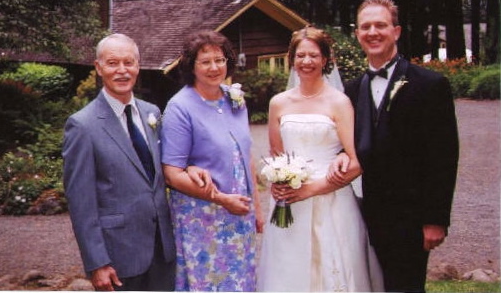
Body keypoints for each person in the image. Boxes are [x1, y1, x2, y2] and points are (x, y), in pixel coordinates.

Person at [335, 0, 459, 292]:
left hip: (411, 219)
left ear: (397, 32)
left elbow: (443, 156)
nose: (373, 32)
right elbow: (349, 145)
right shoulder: (351, 90)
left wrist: (435, 220)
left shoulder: (429, 85)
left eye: (380, 25)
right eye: (366, 27)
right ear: (357, 35)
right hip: (366, 215)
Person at [257, 26, 384, 292]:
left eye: (313, 55)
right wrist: (277, 182)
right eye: (300, 55)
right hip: (290, 202)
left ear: (325, 60)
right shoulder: (278, 103)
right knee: (290, 270)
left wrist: (314, 188)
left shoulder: (339, 102)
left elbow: (356, 160)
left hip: (332, 199)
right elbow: (277, 156)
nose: (306, 62)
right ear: (292, 59)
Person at [62, 33, 176, 291]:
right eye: (113, 63)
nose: (122, 71)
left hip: (163, 251)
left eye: (129, 62)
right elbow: (81, 203)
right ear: (98, 68)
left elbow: (164, 173)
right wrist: (97, 263)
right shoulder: (82, 126)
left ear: (138, 65)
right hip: (119, 257)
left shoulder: (152, 113)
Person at [160, 30, 263, 291]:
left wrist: (257, 209)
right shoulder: (180, 107)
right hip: (203, 218)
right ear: (191, 66)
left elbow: (245, 155)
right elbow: (172, 173)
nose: (214, 67)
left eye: (219, 60)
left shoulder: (234, 98)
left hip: (239, 213)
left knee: (240, 282)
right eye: (205, 62)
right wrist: (221, 199)